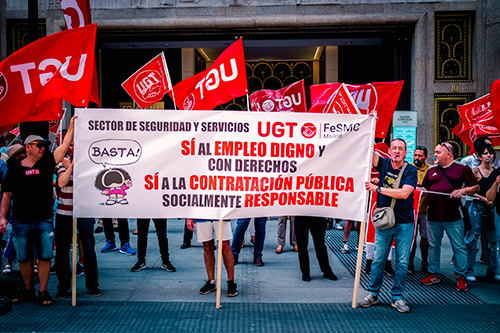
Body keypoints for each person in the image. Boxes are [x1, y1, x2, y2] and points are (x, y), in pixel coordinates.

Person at [0, 117, 76, 306]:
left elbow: (64, 145)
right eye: (39, 145)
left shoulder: (47, 162)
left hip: (43, 220)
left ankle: (43, 291)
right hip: (21, 220)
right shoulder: (14, 168)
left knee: (45, 256)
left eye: (44, 145)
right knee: (24, 258)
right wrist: (2, 217)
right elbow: (7, 194)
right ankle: (28, 290)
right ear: (28, 147)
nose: (43, 148)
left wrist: (73, 126)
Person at [360, 138, 417, 313]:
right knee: (377, 259)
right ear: (389, 151)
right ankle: (373, 293)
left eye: (401, 148)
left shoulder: (411, 170)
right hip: (385, 221)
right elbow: (366, 149)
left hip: (404, 222)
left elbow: (404, 193)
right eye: (394, 148)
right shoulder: (383, 163)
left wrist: (378, 189)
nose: (397, 151)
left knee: (401, 262)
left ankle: (397, 297)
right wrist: (371, 126)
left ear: (406, 152)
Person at [420, 142, 479, 292]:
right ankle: (433, 273)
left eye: (438, 152)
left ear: (449, 154)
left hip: (454, 216)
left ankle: (461, 277)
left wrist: (462, 190)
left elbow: (475, 187)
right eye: (435, 152)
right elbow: (426, 187)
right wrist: (419, 189)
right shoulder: (432, 170)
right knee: (433, 246)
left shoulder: (462, 168)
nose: (435, 155)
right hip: (433, 215)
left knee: (458, 247)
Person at [54, 140, 102, 299]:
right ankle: (63, 286)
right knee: (62, 251)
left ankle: (92, 285)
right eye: (71, 145)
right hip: (64, 212)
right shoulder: (62, 163)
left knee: (89, 250)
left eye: (76, 144)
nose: (73, 147)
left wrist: (72, 166)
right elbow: (61, 182)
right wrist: (70, 167)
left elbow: (90, 182)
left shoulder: (90, 165)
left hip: (84, 211)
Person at [465, 144, 500, 282]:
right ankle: (469, 270)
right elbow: (470, 191)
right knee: (473, 239)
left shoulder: (497, 171)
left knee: (492, 241)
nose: (488, 156)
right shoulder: (474, 172)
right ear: (479, 156)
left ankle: (493, 269)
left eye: (490, 153)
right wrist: (484, 199)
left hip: (492, 209)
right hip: (477, 208)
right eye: (485, 153)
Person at [185, 218, 238, 297]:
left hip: (220, 213)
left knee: (225, 245)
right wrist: (188, 217)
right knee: (207, 245)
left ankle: (231, 281)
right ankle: (211, 281)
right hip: (202, 214)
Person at [408, 145, 431, 274]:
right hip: (410, 209)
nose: (417, 158)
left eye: (420, 156)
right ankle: (410, 263)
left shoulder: (431, 170)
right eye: (415, 155)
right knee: (411, 237)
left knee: (425, 237)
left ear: (426, 157)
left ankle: (424, 262)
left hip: (425, 209)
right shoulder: (408, 168)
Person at [294, 216, 338, 282]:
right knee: (302, 245)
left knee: (320, 245)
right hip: (303, 215)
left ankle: (325, 270)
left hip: (314, 216)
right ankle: (306, 272)